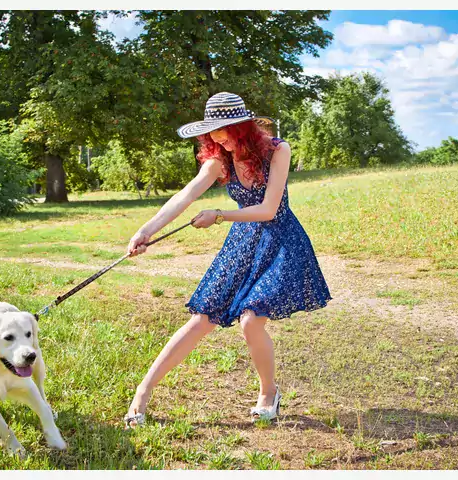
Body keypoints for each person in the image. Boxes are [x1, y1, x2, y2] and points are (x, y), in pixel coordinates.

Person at [124, 92, 332, 429]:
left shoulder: (278, 150)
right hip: (242, 242)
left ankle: (268, 393)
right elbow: (185, 195)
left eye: (225, 129)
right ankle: (142, 393)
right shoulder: (218, 160)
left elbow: (268, 210)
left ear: (242, 126)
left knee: (251, 319)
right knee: (201, 319)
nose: (218, 137)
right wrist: (145, 231)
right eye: (212, 131)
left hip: (280, 240)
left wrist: (219, 215)